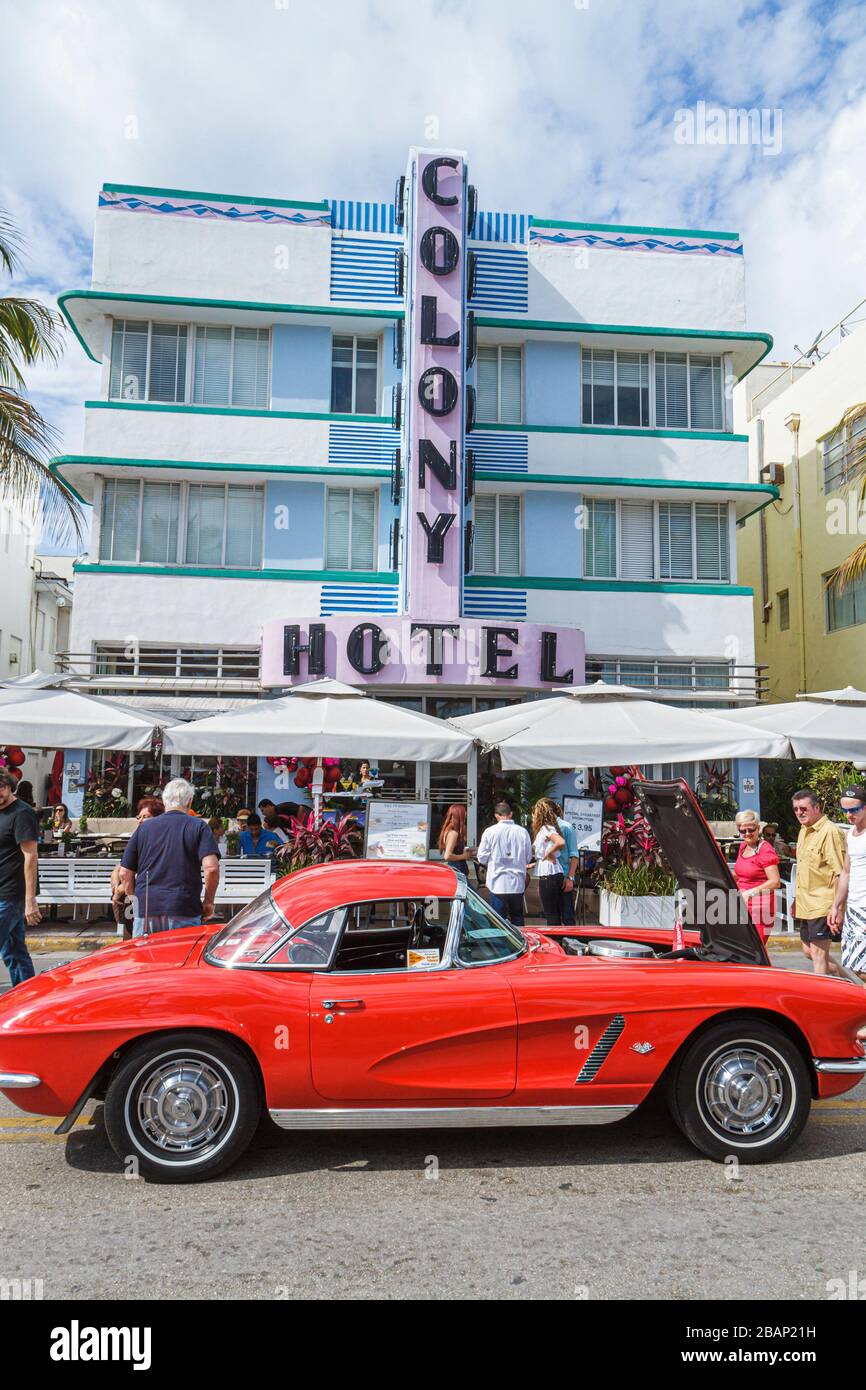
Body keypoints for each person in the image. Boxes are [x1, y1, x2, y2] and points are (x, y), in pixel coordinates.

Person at [120, 778, 220, 937]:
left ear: (165, 801)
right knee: (180, 960)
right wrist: (208, 902)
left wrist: (135, 901)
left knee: (145, 960)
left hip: (146, 909)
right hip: (183, 907)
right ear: (190, 801)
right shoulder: (198, 826)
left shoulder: (144, 828)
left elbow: (125, 873)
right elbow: (212, 868)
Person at [791, 788, 848, 976]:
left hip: (823, 903)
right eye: (796, 809)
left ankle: (820, 1002)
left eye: (804, 808)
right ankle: (853, 985)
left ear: (816, 807)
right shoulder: (804, 830)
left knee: (818, 954)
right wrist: (795, 900)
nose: (799, 813)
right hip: (806, 903)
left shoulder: (830, 832)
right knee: (809, 952)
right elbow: (805, 870)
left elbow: (841, 872)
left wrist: (838, 908)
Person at [0, 769, 39, 987]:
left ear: (9, 786)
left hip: (12, 893)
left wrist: (29, 900)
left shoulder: (22, 813)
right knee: (13, 952)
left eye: (1, 788)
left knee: (13, 951)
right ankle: (28, 997)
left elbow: (31, 857)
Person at [828, 785, 866, 982]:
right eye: (845, 810)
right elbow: (846, 872)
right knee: (854, 963)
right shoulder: (850, 833)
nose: (849, 815)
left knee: (863, 968)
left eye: (854, 810)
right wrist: (836, 905)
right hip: (854, 907)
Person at [112, 799, 165, 939]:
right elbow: (121, 868)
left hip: (145, 899)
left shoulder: (161, 840)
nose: (140, 820)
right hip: (133, 898)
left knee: (142, 944)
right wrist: (116, 887)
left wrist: (122, 890)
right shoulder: (138, 836)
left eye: (145, 817)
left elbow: (149, 870)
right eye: (139, 817)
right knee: (132, 941)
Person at [476, 800, 532, 927]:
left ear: (496, 815)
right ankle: (521, 945)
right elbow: (528, 857)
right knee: (517, 917)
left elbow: (482, 858)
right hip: (517, 882)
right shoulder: (523, 832)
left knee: (498, 921)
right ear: (510, 814)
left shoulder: (489, 832)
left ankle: (501, 946)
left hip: (497, 882)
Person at [733, 808, 781, 940]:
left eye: (751, 829)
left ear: (758, 828)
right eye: (743, 830)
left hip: (760, 908)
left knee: (754, 951)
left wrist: (750, 893)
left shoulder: (765, 849)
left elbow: (775, 881)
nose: (747, 833)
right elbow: (743, 874)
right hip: (741, 903)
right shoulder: (743, 847)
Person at [531, 799, 566, 925]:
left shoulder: (546, 829)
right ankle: (558, 938)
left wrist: (548, 853)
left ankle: (555, 940)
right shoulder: (546, 829)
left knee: (551, 912)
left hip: (549, 874)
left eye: (534, 813)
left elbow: (560, 842)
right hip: (552, 871)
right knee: (554, 912)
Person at [549, 800, 580, 924]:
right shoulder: (544, 829)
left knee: (567, 917)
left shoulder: (566, 827)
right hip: (549, 878)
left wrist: (570, 878)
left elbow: (574, 855)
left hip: (563, 876)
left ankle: (570, 941)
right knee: (552, 917)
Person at [437, 803, 475, 877]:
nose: (466, 815)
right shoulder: (453, 833)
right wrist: (463, 856)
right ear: (460, 815)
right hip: (457, 869)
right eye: (464, 813)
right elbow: (447, 856)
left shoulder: (448, 830)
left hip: (457, 868)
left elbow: (454, 850)